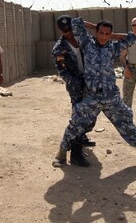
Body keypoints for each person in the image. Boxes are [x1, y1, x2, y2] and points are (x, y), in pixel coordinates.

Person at [52, 17, 136, 168]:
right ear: (96, 32)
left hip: (111, 98)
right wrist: (98, 26)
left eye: (106, 34)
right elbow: (76, 22)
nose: (103, 36)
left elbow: (132, 37)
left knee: (127, 124)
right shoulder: (87, 44)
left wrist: (111, 34)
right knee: (75, 123)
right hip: (92, 97)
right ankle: (61, 153)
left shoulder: (113, 48)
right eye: (100, 33)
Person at [52, 15, 96, 166]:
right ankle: (75, 154)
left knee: (92, 115)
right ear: (60, 30)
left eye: (70, 28)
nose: (68, 32)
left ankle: (81, 137)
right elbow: (63, 72)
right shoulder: (59, 48)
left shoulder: (82, 38)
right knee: (79, 117)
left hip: (91, 82)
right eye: (65, 30)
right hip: (76, 85)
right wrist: (79, 86)